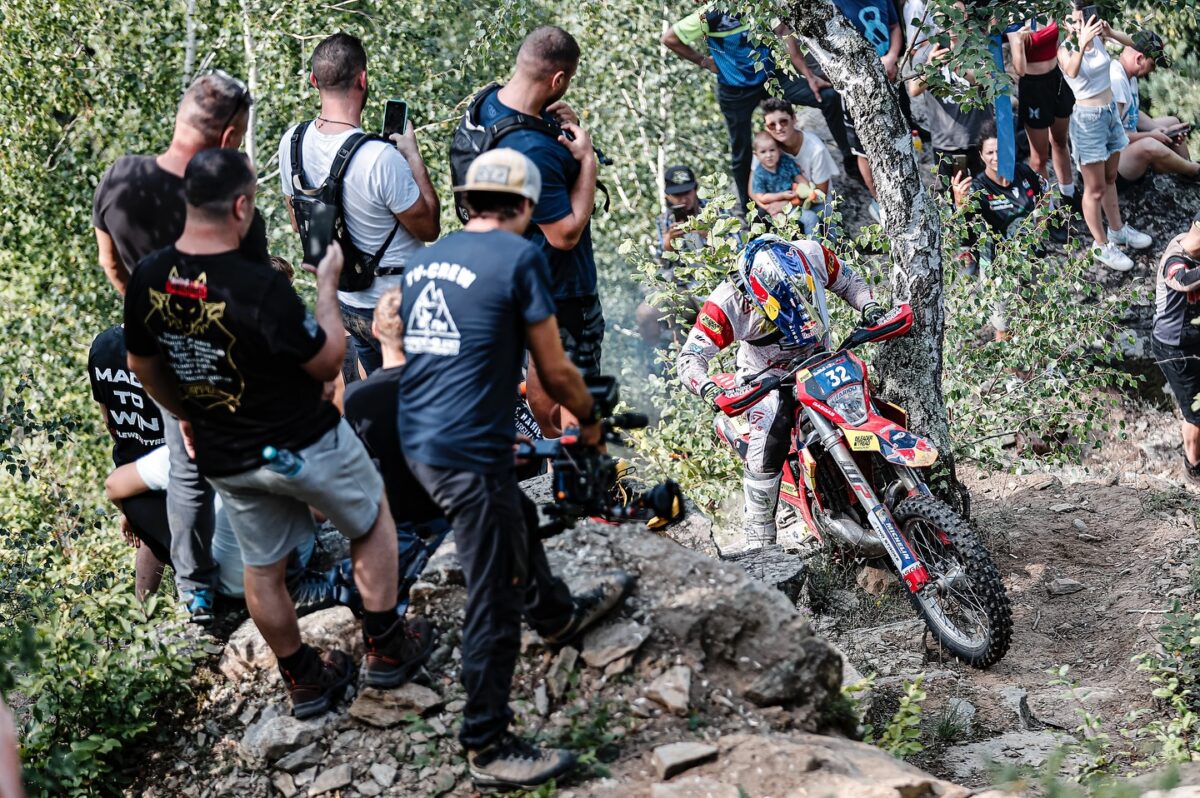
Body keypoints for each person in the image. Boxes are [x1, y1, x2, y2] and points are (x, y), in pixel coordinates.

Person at [124, 149, 433, 719]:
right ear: (240, 206)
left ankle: (305, 680)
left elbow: (143, 366)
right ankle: (387, 645)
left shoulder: (149, 276)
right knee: (371, 521)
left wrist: (186, 412)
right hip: (301, 442)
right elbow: (327, 361)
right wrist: (328, 283)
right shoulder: (257, 284)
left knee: (263, 568)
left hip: (226, 453)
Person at [398, 149, 631, 791]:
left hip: (420, 439)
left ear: (468, 199)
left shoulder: (424, 261)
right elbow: (551, 371)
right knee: (494, 590)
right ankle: (488, 743)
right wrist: (588, 420)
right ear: (526, 205)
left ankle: (554, 613)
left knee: (517, 513)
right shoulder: (519, 257)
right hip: (467, 451)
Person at [92, 70, 267, 623]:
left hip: (158, 357)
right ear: (228, 137)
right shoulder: (227, 205)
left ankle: (196, 595)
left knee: (186, 470)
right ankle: (274, 570)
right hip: (221, 360)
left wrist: (147, 317)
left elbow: (110, 263)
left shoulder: (119, 178)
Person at [677, 234, 882, 553]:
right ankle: (760, 538)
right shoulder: (728, 302)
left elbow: (849, 281)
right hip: (767, 378)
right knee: (770, 432)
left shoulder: (812, 254)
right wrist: (707, 387)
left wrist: (869, 306)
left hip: (821, 360)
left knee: (870, 400)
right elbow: (690, 356)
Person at [279, 32, 440, 377]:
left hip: (347, 303)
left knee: (383, 392)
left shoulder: (291, 142)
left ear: (313, 81)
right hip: (398, 309)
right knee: (422, 397)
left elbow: (298, 222)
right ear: (362, 79)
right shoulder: (380, 157)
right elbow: (429, 227)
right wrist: (412, 156)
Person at [472, 26, 602, 440]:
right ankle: (576, 465)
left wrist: (564, 124)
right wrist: (588, 160)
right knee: (577, 388)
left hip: (512, 272)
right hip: (560, 284)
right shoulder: (533, 150)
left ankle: (551, 446)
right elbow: (564, 234)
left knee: (540, 362)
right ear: (558, 79)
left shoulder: (486, 105)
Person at [661, 10, 851, 210]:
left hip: (770, 76)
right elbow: (669, 38)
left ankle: (850, 160)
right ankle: (748, 209)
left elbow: (782, 30)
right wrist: (704, 61)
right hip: (735, 88)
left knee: (828, 97)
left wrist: (808, 75)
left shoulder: (757, 5)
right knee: (741, 149)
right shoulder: (711, 14)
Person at [1058, 8, 1150, 272]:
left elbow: (1137, 44)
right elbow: (1072, 71)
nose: (1081, 23)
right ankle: (1100, 245)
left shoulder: (1097, 38)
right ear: (1066, 22)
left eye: (1084, 17)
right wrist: (1082, 40)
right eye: (1075, 20)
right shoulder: (1064, 48)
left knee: (1111, 177)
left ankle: (1117, 230)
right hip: (1088, 121)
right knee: (1094, 188)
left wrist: (1110, 33)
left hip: (1110, 112)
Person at [89, 324, 171, 600]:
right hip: (173, 472)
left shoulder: (102, 347)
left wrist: (131, 508)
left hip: (132, 479)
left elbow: (109, 421)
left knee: (152, 538)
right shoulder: (173, 346)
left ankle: (143, 617)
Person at [831, 0, 903, 222]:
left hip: (889, 77)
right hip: (856, 87)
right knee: (863, 148)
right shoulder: (834, 3)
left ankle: (903, 192)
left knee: (899, 134)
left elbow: (894, 27)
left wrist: (891, 57)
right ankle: (880, 201)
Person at [1111, 32, 1200, 188]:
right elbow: (1113, 135)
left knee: (1172, 122)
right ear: (1139, 59)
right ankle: (1193, 170)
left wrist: (1162, 131)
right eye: (1152, 65)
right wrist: (1152, 135)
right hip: (1113, 164)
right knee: (1150, 143)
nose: (1153, 71)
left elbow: (1132, 112)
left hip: (1127, 145)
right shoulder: (1116, 80)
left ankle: (1187, 172)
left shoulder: (1129, 75)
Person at [637, 165, 712, 345]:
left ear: (696, 189)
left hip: (715, 285)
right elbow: (663, 266)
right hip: (684, 289)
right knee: (644, 314)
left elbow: (736, 248)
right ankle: (656, 357)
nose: (683, 199)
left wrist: (708, 234)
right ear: (668, 196)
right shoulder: (665, 221)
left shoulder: (714, 210)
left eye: (687, 192)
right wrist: (668, 244)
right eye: (677, 195)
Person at [1009, 15, 1077, 207]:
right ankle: (1046, 209)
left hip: (1055, 79)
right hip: (1033, 87)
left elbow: (1057, 44)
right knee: (1039, 157)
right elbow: (1020, 70)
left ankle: (1069, 195)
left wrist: (1071, 35)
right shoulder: (1014, 15)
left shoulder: (1049, 7)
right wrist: (1019, 43)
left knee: (1060, 142)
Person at [1153, 214, 1200, 486]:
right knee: (1196, 413)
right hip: (1174, 348)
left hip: (1193, 338)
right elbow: (1183, 279)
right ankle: (1193, 468)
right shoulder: (1175, 258)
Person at [759, 99, 837, 226]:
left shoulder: (816, 149)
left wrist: (785, 205)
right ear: (766, 128)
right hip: (780, 203)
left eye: (783, 121)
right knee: (761, 214)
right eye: (772, 125)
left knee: (818, 217)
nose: (778, 128)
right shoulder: (767, 147)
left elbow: (820, 193)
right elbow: (753, 191)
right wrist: (771, 207)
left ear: (794, 119)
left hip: (814, 203)